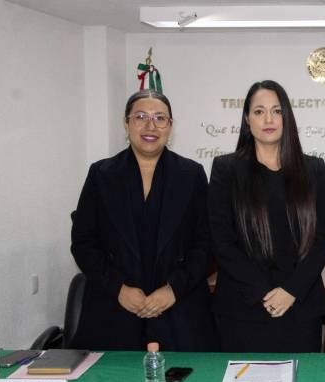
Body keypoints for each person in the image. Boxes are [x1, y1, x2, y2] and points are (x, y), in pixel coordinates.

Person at [70, 89, 219, 351]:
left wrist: (173, 289)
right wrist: (119, 289)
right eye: (141, 117)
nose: (151, 126)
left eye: (160, 118)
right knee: (113, 377)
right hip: (114, 311)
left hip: (179, 311)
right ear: (126, 123)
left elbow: (206, 243)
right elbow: (84, 242)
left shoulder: (192, 174)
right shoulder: (101, 174)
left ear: (170, 126)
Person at [208, 80, 325, 352]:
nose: (268, 119)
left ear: (286, 117)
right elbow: (221, 241)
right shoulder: (226, 169)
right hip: (243, 307)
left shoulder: (313, 169)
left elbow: (322, 239)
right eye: (259, 111)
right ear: (247, 119)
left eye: (276, 111)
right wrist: (263, 292)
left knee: (302, 380)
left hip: (299, 307)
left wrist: (291, 291)